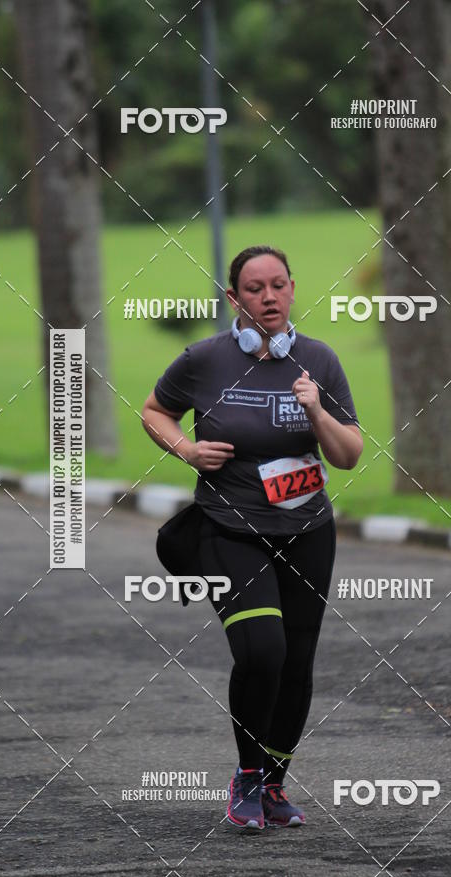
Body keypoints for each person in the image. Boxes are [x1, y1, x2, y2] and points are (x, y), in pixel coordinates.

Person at [142, 245, 363, 829]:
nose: (269, 297)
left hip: (308, 530)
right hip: (228, 529)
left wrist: (317, 412)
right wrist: (187, 448)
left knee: (297, 664)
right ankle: (246, 773)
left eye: (279, 286)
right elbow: (154, 411)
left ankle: (274, 783)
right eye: (255, 288)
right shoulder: (204, 360)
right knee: (263, 649)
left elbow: (347, 456)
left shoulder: (319, 361)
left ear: (292, 288)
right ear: (234, 297)